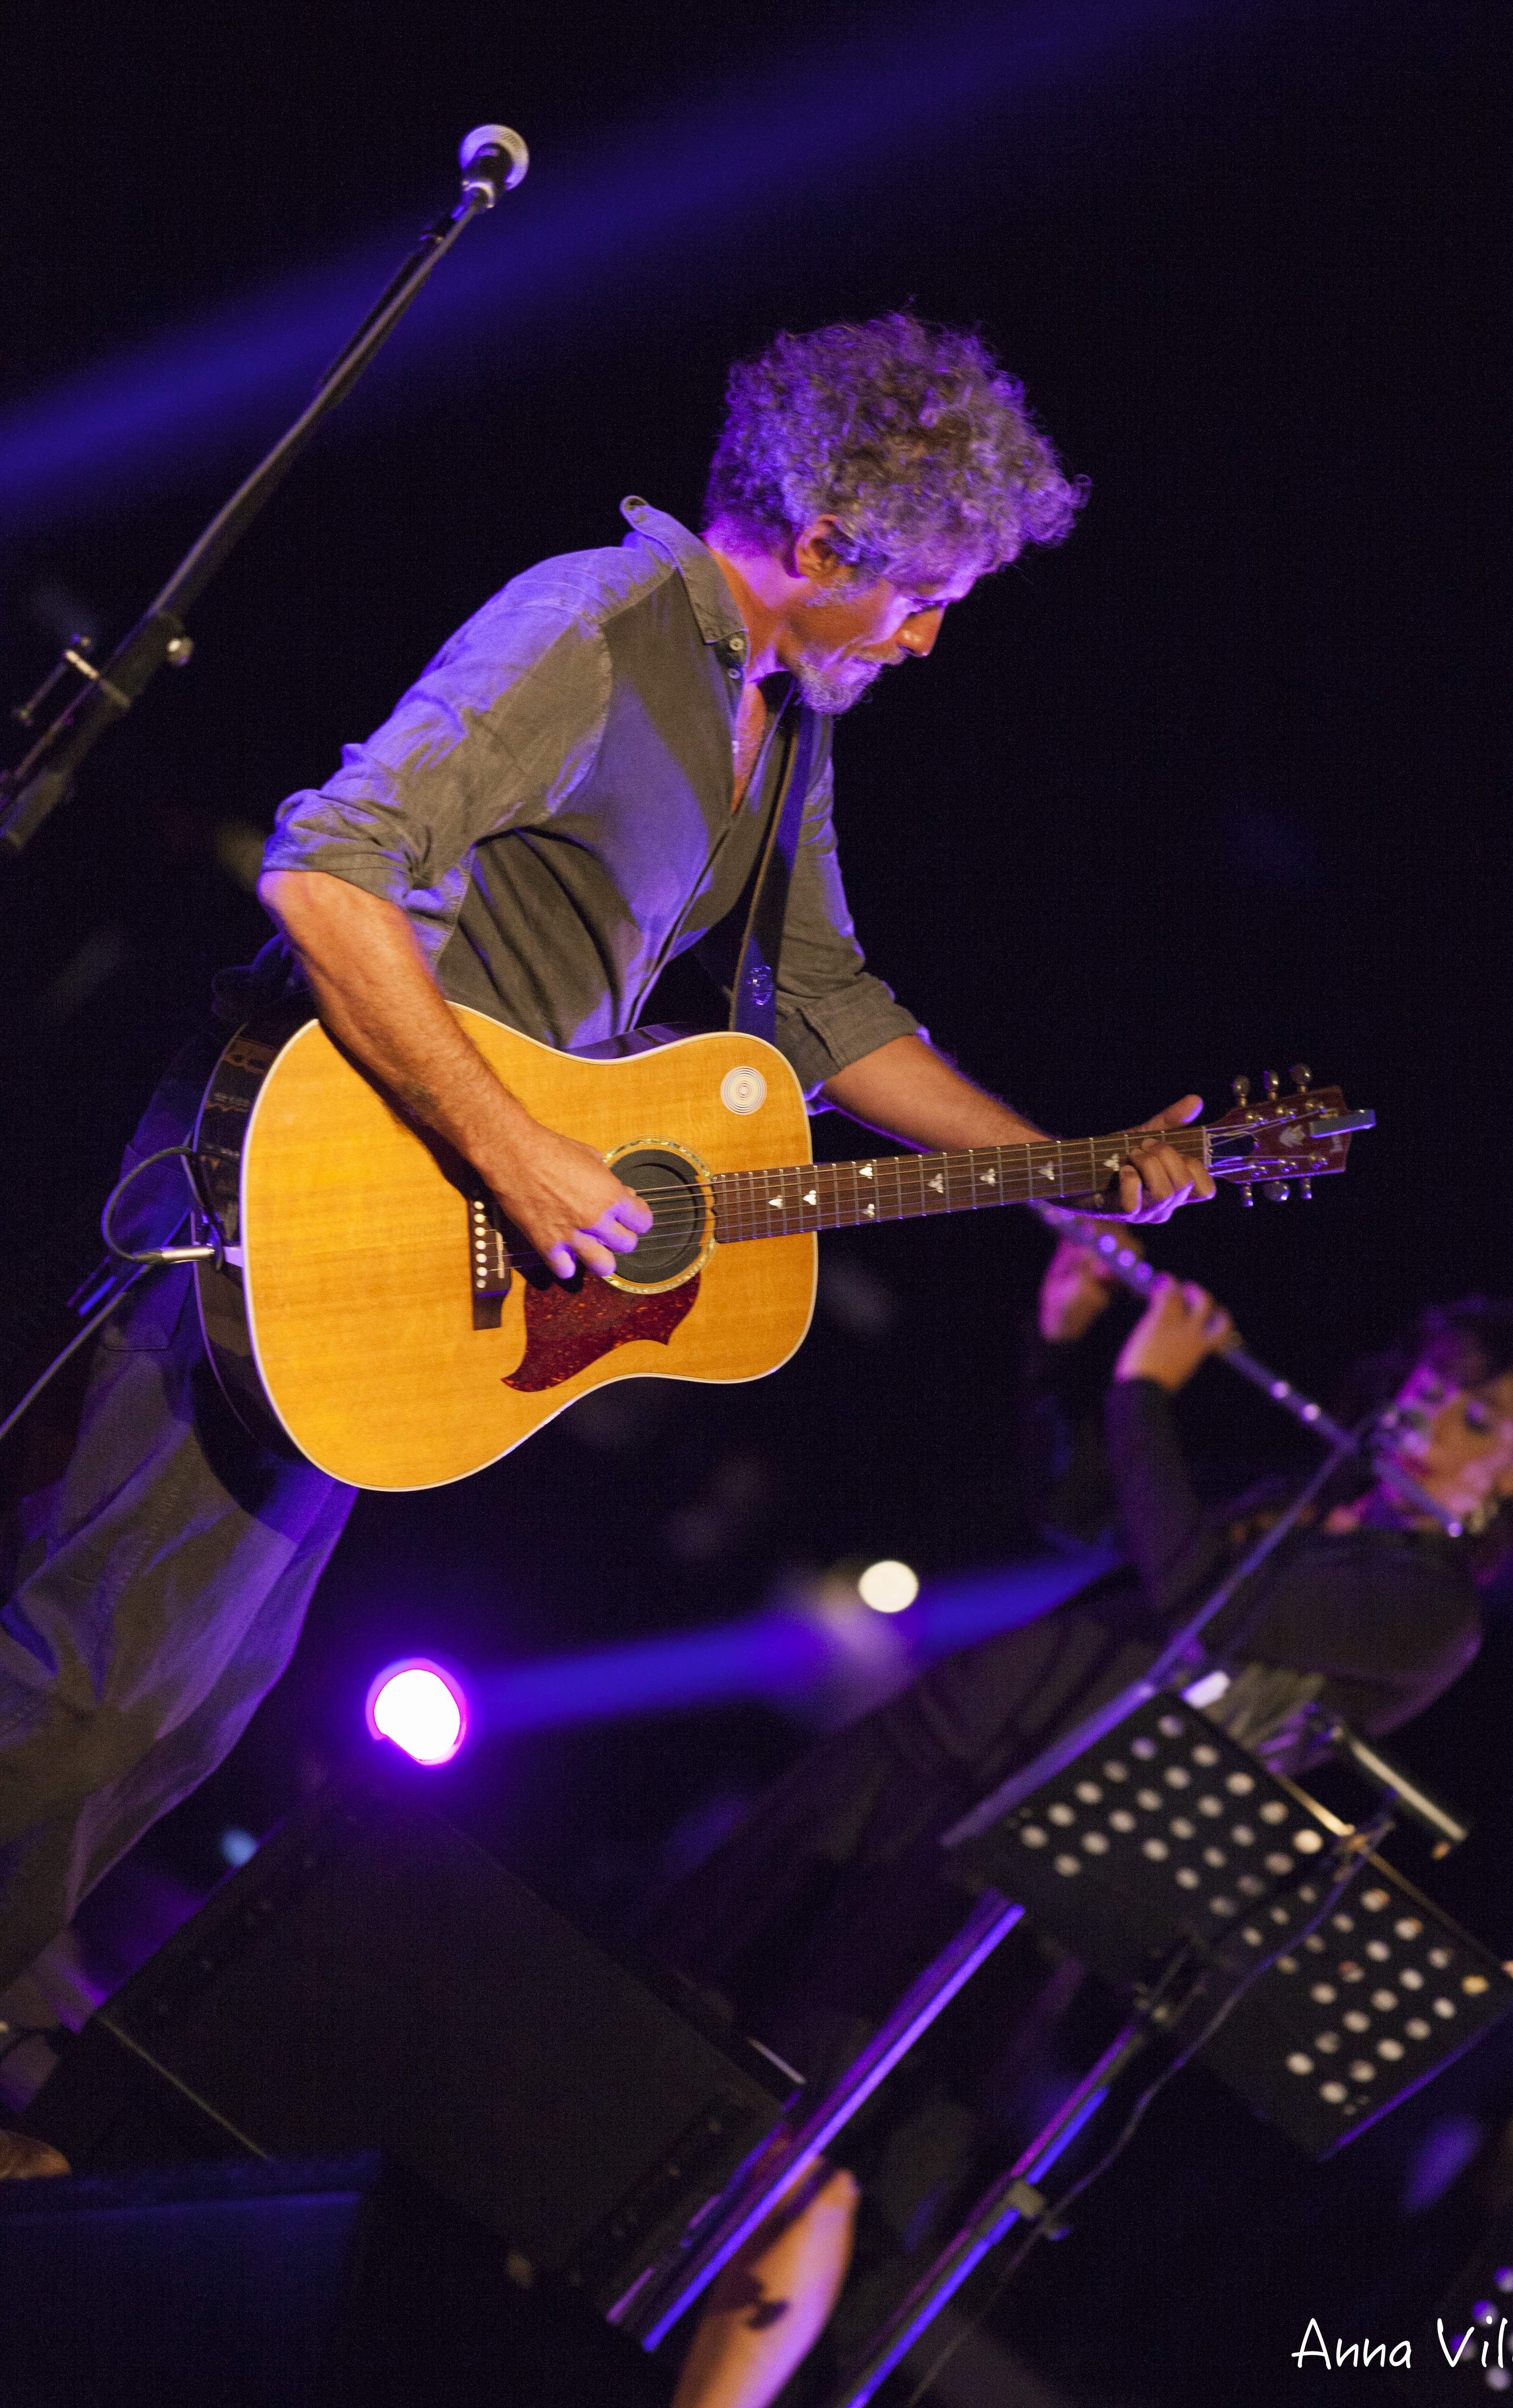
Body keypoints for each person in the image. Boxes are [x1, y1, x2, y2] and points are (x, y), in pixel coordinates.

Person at [0, 317, 1213, 2168]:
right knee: (92, 1680)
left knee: (190, 1705)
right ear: (822, 540)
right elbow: (328, 869)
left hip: (416, 1268)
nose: (931, 637)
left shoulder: (778, 731)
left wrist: (1067, 1162)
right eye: (929, 593)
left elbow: (821, 1003)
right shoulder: (596, 621)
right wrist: (520, 1151)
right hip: (297, 1192)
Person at [650, 1233, 1513, 2408]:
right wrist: (1069, 1350)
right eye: (1434, 1380)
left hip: (1019, 1867)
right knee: (700, 2028)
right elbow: (1085, 1510)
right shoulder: (1302, 1504)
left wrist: (1149, 1383)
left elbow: (1200, 1597)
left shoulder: (1427, 1610)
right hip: (940, 1746)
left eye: (1477, 1418)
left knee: (830, 2136)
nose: (1430, 1412)